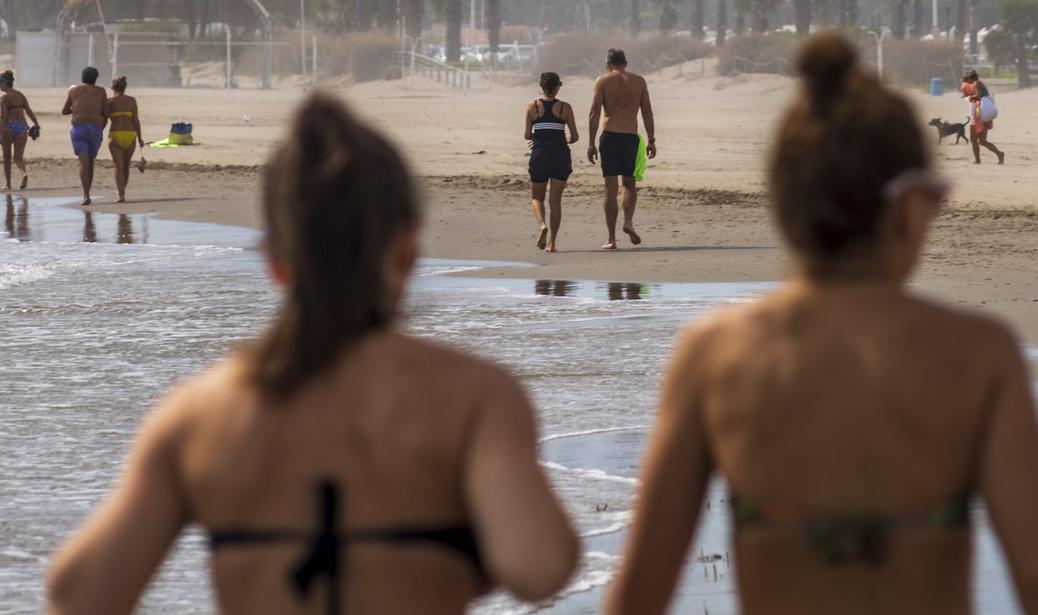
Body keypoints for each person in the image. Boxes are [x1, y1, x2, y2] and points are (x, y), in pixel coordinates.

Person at [605, 34, 1038, 615]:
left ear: (784, 205)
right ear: (910, 209)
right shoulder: (977, 355)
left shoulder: (715, 354)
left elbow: (638, 594)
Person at [45, 94, 579, 613]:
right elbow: (539, 566)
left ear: (276, 261)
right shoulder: (473, 398)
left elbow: (79, 594)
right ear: (407, 249)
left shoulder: (198, 415)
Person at [586, 48, 656, 250]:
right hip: (630, 138)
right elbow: (648, 113)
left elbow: (594, 113)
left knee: (610, 188)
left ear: (608, 65)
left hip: (610, 137)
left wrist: (591, 143)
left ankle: (611, 238)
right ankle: (628, 222)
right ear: (625, 63)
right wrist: (651, 140)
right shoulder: (639, 81)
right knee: (630, 184)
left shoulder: (603, 81)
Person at [525, 71, 579, 252]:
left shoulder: (532, 106)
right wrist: (565, 139)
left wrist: (539, 137)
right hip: (560, 156)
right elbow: (575, 136)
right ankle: (552, 243)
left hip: (540, 155)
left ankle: (542, 226)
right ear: (558, 87)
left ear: (541, 86)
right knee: (555, 201)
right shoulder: (565, 108)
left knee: (536, 198)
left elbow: (527, 135)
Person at [62, 66, 109, 206]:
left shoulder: (74, 90)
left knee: (83, 163)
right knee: (90, 163)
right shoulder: (101, 91)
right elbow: (106, 113)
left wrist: (76, 108)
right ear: (96, 78)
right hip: (95, 128)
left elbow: (64, 110)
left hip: (79, 128)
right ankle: (88, 194)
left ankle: (86, 195)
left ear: (82, 77)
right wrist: (101, 127)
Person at [0, 71, 40, 192]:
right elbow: (29, 111)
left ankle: (8, 184)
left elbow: (3, 116)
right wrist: (36, 124)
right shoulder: (20, 95)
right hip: (21, 127)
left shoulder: (3, 98)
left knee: (7, 157)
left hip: (8, 127)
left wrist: (0, 132)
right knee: (18, 157)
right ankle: (23, 174)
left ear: (5, 83)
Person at [104, 75, 146, 204]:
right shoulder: (132, 101)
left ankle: (120, 194)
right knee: (125, 165)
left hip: (115, 135)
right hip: (130, 135)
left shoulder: (108, 101)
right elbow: (135, 121)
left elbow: (103, 120)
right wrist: (140, 138)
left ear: (113, 87)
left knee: (118, 165)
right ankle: (122, 192)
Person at [961, 68, 1006, 166]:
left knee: (973, 139)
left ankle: (978, 160)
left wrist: (968, 97)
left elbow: (978, 96)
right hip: (985, 115)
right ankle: (999, 154)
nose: (966, 83)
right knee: (982, 141)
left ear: (970, 79)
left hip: (979, 114)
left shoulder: (976, 83)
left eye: (967, 80)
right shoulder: (979, 83)